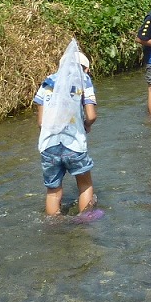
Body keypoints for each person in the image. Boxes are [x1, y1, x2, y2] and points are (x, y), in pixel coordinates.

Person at [33, 50, 98, 216]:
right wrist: (86, 125)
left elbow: (41, 122)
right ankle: (84, 222)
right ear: (85, 69)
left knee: (53, 191)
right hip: (73, 143)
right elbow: (91, 115)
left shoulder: (47, 82)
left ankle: (55, 227)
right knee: (85, 185)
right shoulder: (84, 80)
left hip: (48, 145)